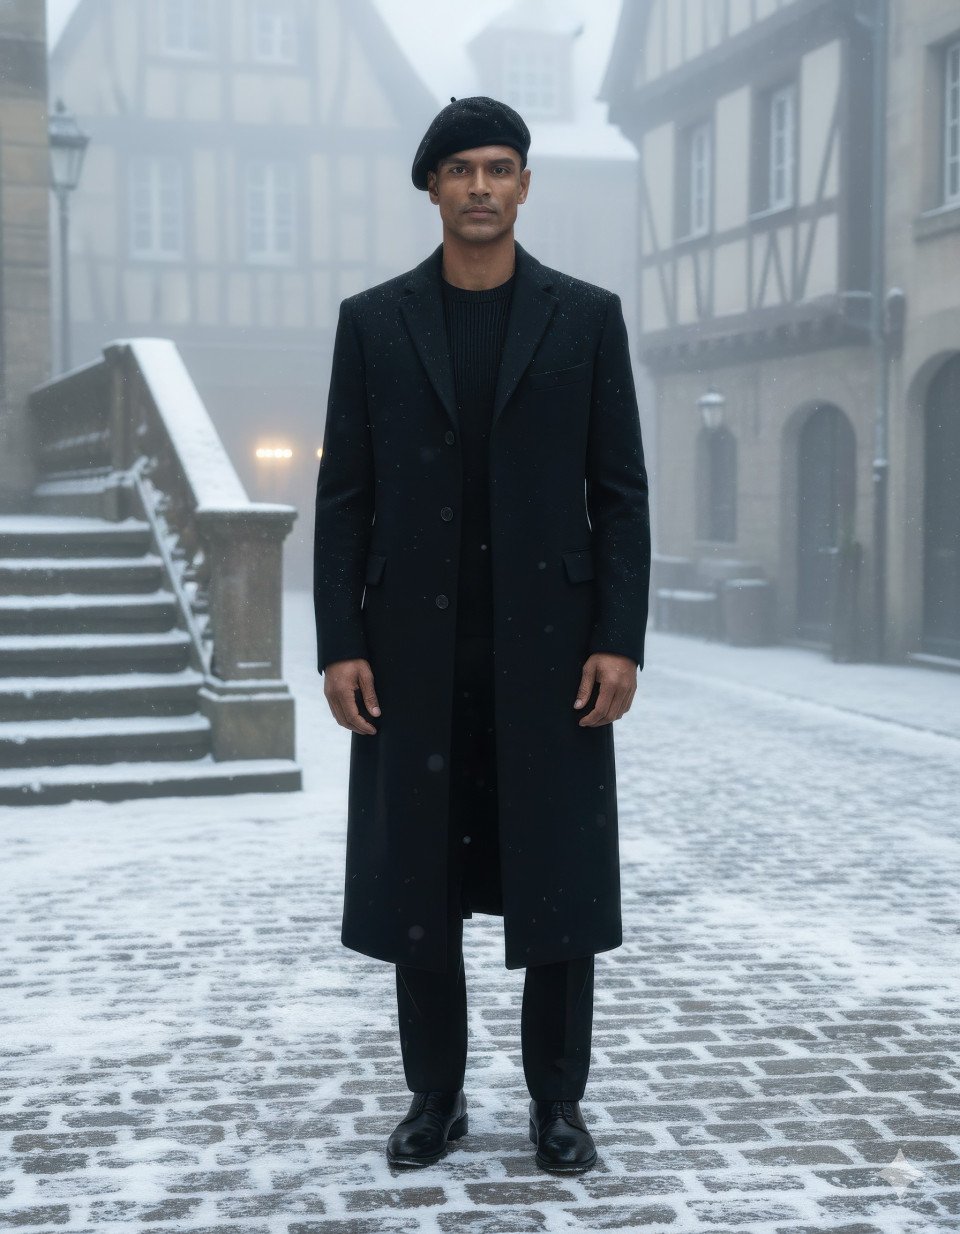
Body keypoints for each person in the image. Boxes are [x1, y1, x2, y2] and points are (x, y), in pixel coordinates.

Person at [314, 96, 650, 1173]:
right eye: (460, 169)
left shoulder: (586, 317)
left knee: (558, 879)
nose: (480, 187)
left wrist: (618, 636)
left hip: (553, 657)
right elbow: (347, 499)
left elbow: (622, 494)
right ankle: (436, 1097)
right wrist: (340, 640)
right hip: (414, 654)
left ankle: (559, 1103)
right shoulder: (372, 323)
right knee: (422, 882)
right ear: (432, 187)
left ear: (525, 185)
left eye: (500, 167)